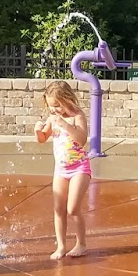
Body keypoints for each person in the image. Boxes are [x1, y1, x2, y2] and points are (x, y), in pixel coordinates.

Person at [34, 79, 91, 259]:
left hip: (80, 168)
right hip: (61, 169)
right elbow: (43, 138)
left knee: (72, 208)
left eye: (57, 106)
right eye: (51, 107)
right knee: (59, 209)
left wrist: (65, 124)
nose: (54, 111)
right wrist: (38, 131)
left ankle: (81, 244)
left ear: (67, 100)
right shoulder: (52, 118)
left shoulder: (77, 116)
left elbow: (81, 139)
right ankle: (60, 246)